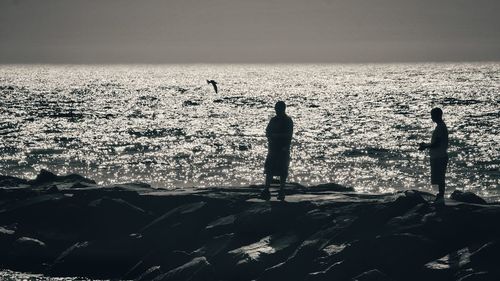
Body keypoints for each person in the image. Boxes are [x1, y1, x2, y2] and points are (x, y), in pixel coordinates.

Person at [261, 101, 294, 201]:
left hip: (283, 148)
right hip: (273, 148)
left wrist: (276, 136)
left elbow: (289, 135)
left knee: (283, 171)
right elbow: (267, 131)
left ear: (283, 109)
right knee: (269, 170)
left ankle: (281, 191)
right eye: (276, 109)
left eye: (278, 109)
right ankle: (266, 190)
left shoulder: (288, 120)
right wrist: (270, 137)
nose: (276, 111)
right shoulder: (273, 120)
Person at [419, 107, 449, 201]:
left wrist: (425, 146)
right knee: (439, 176)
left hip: (440, 156)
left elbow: (436, 144)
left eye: (432, 115)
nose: (431, 117)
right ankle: (440, 194)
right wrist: (426, 145)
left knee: (440, 177)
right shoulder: (440, 126)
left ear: (437, 116)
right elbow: (436, 143)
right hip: (439, 155)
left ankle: (441, 195)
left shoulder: (440, 127)